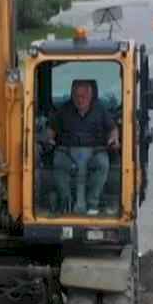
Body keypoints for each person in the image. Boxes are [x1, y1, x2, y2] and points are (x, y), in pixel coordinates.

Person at [47, 80, 118, 215]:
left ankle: (93, 204)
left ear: (90, 96)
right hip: (68, 152)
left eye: (83, 96)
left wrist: (113, 138)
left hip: (95, 151)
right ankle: (66, 202)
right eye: (76, 96)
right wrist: (49, 139)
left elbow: (113, 128)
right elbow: (51, 129)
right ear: (72, 96)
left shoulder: (100, 110)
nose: (80, 100)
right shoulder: (64, 110)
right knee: (58, 162)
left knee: (103, 164)